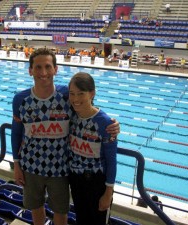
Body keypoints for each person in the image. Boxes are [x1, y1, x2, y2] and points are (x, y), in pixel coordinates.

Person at [11, 48, 120, 225]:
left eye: (48, 66)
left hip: (61, 169)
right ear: (30, 70)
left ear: (56, 69)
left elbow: (86, 107)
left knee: (61, 212)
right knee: (36, 209)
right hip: (30, 166)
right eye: (38, 67)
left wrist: (110, 124)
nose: (43, 72)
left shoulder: (66, 96)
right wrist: (16, 164)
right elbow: (16, 133)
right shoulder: (20, 100)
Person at [68, 72, 117, 225]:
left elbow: (111, 161)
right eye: (72, 94)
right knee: (81, 220)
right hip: (75, 180)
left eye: (81, 94)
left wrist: (108, 192)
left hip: (97, 183)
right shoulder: (71, 117)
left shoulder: (106, 123)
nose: (75, 99)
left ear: (92, 93)